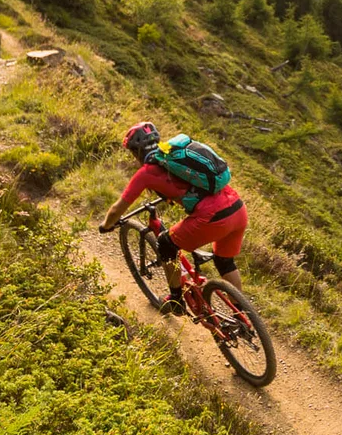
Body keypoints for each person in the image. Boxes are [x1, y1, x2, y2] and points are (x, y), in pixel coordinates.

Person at [99, 122, 248, 314]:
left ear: (136, 151)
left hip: (212, 218)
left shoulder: (146, 172)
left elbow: (118, 207)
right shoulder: (173, 153)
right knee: (225, 261)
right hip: (237, 208)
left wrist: (106, 225)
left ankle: (176, 300)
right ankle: (241, 315)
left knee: (166, 244)